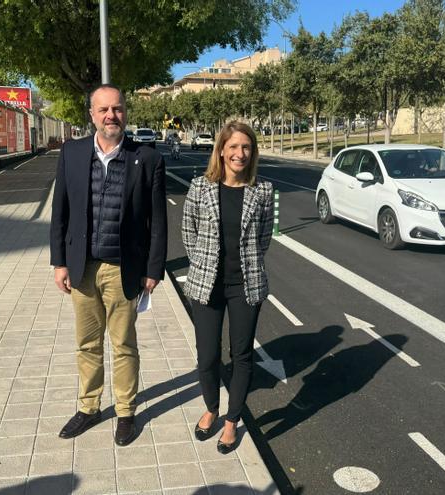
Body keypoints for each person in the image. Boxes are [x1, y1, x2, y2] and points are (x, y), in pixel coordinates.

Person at [50, 84, 167, 446]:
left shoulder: (146, 158)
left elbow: (158, 222)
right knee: (87, 343)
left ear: (125, 112)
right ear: (91, 115)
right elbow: (60, 212)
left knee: (123, 344)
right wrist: (58, 262)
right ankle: (89, 407)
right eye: (103, 110)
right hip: (82, 267)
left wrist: (153, 269)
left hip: (123, 269)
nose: (110, 116)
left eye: (116, 109)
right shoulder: (71, 153)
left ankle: (126, 411)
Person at [181, 122, 274, 454]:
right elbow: (188, 232)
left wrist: (244, 264)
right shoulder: (200, 187)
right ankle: (211, 407)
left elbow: (263, 239)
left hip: (245, 286)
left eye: (246, 147)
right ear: (221, 149)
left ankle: (232, 422)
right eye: (234, 146)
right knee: (207, 356)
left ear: (253, 152)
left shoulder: (263, 191)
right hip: (207, 285)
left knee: (242, 355)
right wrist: (204, 265)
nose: (240, 154)